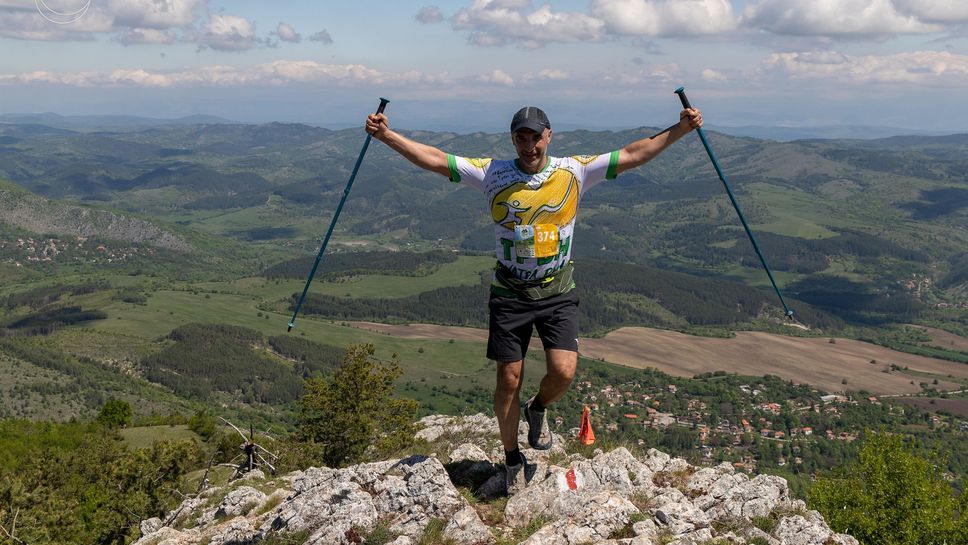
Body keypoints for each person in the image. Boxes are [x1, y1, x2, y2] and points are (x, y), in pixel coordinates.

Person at [365, 103, 702, 493]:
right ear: (513, 140)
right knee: (509, 378)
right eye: (521, 138)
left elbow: (632, 154)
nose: (529, 146)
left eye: (536, 137)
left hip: (557, 290)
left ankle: (537, 407)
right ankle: (512, 458)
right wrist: (386, 136)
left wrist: (680, 130)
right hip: (510, 293)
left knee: (564, 372)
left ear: (549, 136)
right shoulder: (493, 173)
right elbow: (437, 160)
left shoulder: (573, 171)